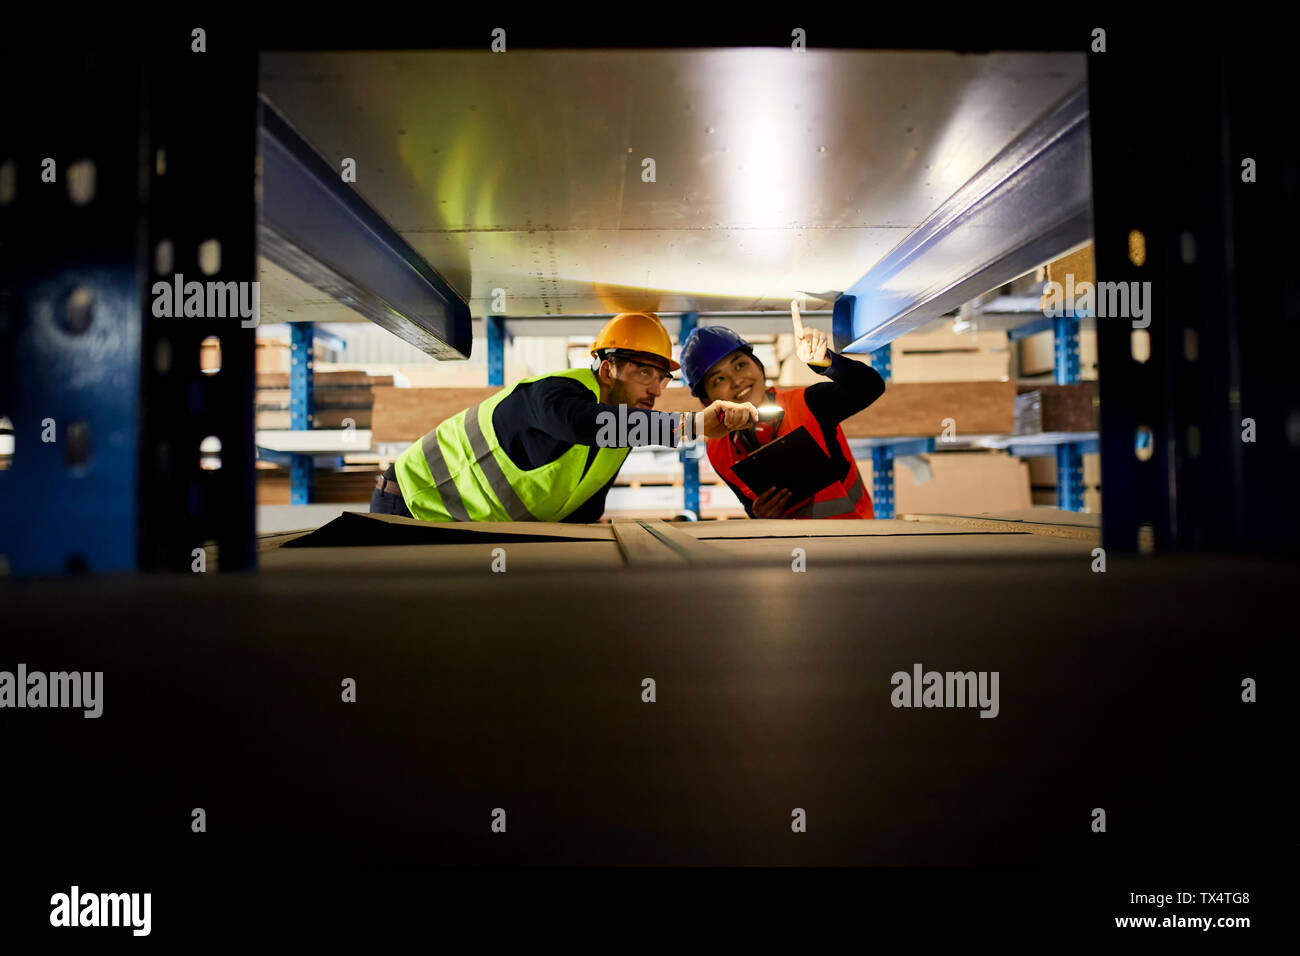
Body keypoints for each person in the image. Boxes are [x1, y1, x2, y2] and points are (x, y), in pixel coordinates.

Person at [371, 311, 757, 522]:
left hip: (463, 526)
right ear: (608, 369)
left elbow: (584, 505)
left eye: (660, 379)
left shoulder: (622, 428)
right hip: (410, 503)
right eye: (644, 374)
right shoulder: (552, 394)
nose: (655, 390)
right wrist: (692, 425)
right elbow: (584, 424)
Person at [679, 302, 886, 519]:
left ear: (759, 367)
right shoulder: (718, 450)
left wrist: (824, 361)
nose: (737, 380)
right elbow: (748, 503)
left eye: (740, 365)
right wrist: (757, 513)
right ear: (706, 400)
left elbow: (870, 387)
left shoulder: (807, 404)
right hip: (792, 550)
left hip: (854, 542)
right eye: (719, 379)